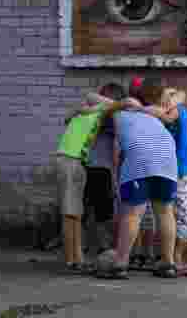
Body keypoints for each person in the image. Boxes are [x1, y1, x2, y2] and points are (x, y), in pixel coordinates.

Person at [95, 79, 179, 279]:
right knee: (165, 211)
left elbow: (91, 99)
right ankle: (168, 264)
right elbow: (177, 95)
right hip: (167, 157)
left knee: (132, 214)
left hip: (141, 156)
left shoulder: (119, 111)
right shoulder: (152, 112)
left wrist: (122, 104)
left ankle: (120, 264)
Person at [134, 87, 187, 275]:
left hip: (181, 170)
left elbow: (169, 113)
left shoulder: (176, 111)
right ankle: (177, 259)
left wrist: (138, 109)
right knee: (179, 213)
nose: (162, 100)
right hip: (177, 169)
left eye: (165, 97)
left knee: (183, 214)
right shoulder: (173, 108)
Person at [53, 85, 116, 273]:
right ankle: (74, 261)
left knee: (75, 214)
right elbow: (91, 97)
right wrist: (105, 106)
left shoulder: (87, 113)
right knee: (71, 213)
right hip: (70, 160)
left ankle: (76, 259)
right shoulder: (95, 110)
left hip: (77, 161)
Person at [80, 82, 127, 256]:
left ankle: (88, 246)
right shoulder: (108, 117)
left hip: (92, 167)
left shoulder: (106, 118)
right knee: (100, 212)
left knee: (92, 210)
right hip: (99, 169)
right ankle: (101, 246)